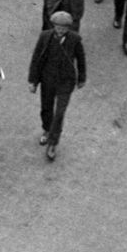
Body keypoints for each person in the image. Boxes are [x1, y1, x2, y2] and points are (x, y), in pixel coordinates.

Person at [27, 9, 85, 158]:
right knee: (46, 108)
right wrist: (32, 81)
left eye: (63, 28)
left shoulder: (75, 40)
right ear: (53, 26)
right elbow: (36, 58)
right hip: (47, 79)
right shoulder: (45, 37)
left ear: (68, 28)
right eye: (57, 27)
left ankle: (52, 143)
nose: (60, 30)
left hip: (65, 82)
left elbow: (81, 59)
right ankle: (47, 129)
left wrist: (82, 78)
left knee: (59, 113)